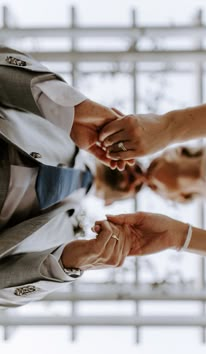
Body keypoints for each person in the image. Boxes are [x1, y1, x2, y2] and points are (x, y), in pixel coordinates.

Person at [0, 46, 137, 308]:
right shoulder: (64, 126)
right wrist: (71, 111)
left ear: (110, 204)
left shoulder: (66, 236)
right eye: (136, 168)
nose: (134, 179)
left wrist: (68, 264)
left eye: (136, 188)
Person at [95, 93, 206, 266]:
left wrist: (168, 128)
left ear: (176, 151)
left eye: (151, 164)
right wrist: (176, 236)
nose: (143, 179)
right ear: (178, 198)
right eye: (150, 187)